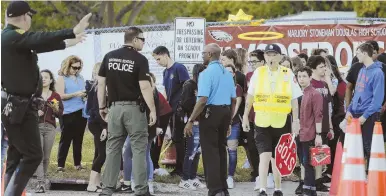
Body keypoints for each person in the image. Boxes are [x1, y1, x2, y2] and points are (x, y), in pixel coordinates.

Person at [1, 1, 91, 194]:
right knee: (33, 156)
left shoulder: (15, 41)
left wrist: (70, 42)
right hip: (18, 106)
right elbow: (39, 38)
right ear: (25, 17)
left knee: (16, 156)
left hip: (20, 105)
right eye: (30, 16)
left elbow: (42, 44)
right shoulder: (11, 36)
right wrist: (71, 30)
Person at [97, 27, 156, 196]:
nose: (144, 43)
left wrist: (102, 107)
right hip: (134, 109)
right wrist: (152, 110)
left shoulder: (109, 57)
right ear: (135, 39)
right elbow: (144, 86)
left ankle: (107, 189)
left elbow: (101, 84)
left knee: (113, 149)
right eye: (143, 40)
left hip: (114, 108)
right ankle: (141, 190)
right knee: (138, 149)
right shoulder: (140, 59)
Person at [242, 44, 302, 196]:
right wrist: (244, 117)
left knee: (277, 157)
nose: (270, 58)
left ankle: (278, 188)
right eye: (268, 55)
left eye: (274, 54)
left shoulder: (288, 73)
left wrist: (296, 121)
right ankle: (262, 188)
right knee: (265, 156)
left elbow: (294, 100)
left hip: (281, 121)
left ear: (280, 57)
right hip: (261, 121)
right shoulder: (258, 73)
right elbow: (250, 96)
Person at [184, 43, 236, 196]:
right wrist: (229, 121)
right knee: (221, 150)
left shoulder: (206, 74)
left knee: (210, 152)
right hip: (225, 111)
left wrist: (191, 120)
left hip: (210, 113)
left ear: (210, 54)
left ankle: (215, 190)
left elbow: (202, 99)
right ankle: (224, 189)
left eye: (203, 53)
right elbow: (233, 100)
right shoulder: (227, 73)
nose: (202, 56)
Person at [346, 43, 384, 172]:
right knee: (358, 148)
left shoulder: (378, 73)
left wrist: (365, 116)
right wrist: (349, 110)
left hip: (369, 115)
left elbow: (377, 100)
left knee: (369, 147)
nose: (356, 56)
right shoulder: (362, 70)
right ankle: (360, 177)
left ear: (364, 53)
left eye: (358, 53)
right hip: (357, 114)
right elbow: (357, 93)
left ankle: (372, 177)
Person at [153, 46, 190, 176]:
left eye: (158, 59)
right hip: (170, 110)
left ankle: (182, 169)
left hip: (179, 109)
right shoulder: (165, 72)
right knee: (174, 138)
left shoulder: (179, 68)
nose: (158, 62)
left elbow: (188, 87)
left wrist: (183, 106)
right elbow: (166, 91)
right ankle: (177, 166)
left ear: (165, 55)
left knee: (179, 139)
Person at [122, 73, 160, 195]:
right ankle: (146, 182)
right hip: (148, 129)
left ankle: (136, 182)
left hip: (140, 128)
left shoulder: (143, 94)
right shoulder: (154, 93)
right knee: (144, 154)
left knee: (136, 154)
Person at [56, 55, 88, 172]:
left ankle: (77, 164)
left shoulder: (81, 78)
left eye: (79, 68)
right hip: (67, 112)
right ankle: (60, 165)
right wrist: (76, 94)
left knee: (78, 138)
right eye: (74, 68)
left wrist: (85, 95)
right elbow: (59, 96)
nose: (77, 70)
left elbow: (83, 92)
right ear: (67, 66)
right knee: (66, 139)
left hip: (81, 111)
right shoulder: (62, 78)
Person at [306, 55, 333, 192]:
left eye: (325, 66)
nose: (324, 69)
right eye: (321, 67)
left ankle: (318, 180)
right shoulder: (309, 84)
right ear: (313, 69)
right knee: (311, 154)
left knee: (320, 153)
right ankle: (310, 181)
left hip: (324, 123)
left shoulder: (324, 84)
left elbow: (328, 105)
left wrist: (331, 127)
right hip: (312, 125)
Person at [296, 66, 324, 196]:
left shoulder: (315, 94)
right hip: (298, 133)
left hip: (310, 133)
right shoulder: (297, 93)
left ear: (310, 77)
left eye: (304, 76)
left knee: (308, 163)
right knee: (303, 162)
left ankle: (309, 190)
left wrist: (318, 135)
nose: (301, 79)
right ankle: (309, 189)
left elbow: (318, 115)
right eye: (299, 76)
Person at [178, 64, 206, 190]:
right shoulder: (189, 85)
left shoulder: (204, 86)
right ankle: (184, 178)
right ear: (197, 74)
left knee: (197, 152)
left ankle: (193, 177)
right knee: (190, 151)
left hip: (202, 123)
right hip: (192, 123)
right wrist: (197, 97)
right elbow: (185, 104)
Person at [35, 69, 64, 193]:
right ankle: (40, 183)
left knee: (46, 157)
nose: (44, 79)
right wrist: (36, 113)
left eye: (46, 77)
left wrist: (55, 108)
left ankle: (43, 178)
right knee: (39, 155)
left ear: (51, 80)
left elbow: (60, 113)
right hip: (36, 127)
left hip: (50, 128)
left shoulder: (55, 96)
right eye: (42, 77)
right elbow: (27, 112)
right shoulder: (35, 95)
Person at [86, 63, 108, 192]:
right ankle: (91, 183)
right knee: (103, 154)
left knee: (98, 152)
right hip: (97, 123)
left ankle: (97, 183)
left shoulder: (105, 87)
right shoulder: (96, 89)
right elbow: (96, 110)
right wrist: (105, 126)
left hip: (102, 123)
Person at [224, 66, 243, 189]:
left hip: (233, 122)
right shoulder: (219, 85)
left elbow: (236, 106)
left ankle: (230, 176)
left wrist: (229, 121)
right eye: (226, 71)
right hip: (219, 122)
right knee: (219, 151)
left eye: (230, 71)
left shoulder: (237, 88)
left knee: (232, 150)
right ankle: (220, 176)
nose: (228, 73)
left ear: (234, 73)